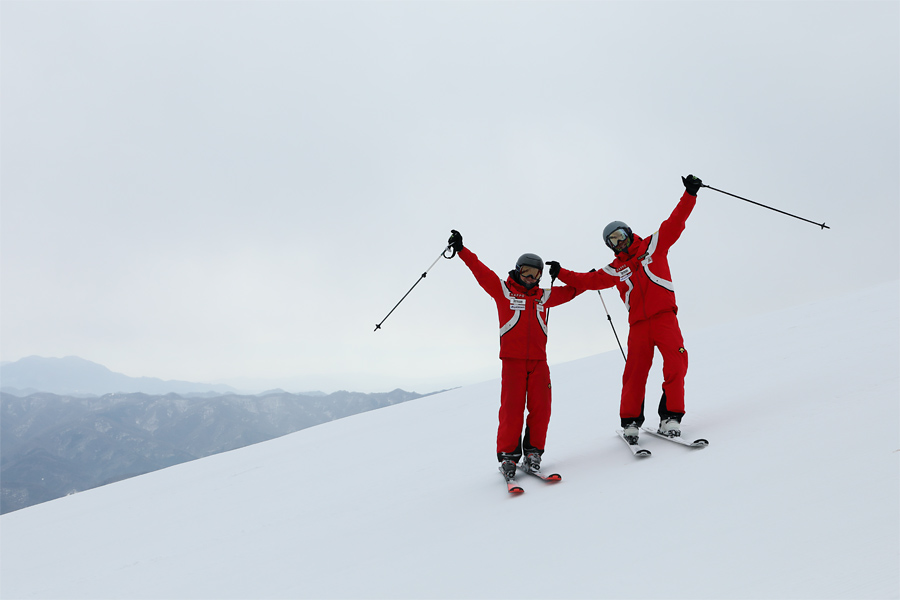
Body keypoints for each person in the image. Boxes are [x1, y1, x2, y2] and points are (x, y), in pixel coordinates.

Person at [546, 174, 703, 445]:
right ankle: (630, 422)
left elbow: (675, 222)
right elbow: (587, 280)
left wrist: (690, 193)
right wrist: (562, 273)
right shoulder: (615, 269)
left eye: (620, 237)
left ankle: (671, 417)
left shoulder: (654, 246)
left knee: (676, 361)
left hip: (665, 317)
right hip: (639, 325)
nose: (618, 244)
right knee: (635, 372)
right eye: (612, 242)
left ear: (629, 233)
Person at [448, 230, 583, 479]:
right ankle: (509, 457)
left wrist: (564, 274)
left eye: (537, 275)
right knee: (512, 409)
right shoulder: (504, 291)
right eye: (526, 273)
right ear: (517, 271)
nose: (531, 279)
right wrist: (462, 251)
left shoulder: (544, 296)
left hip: (539, 362)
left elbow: (575, 290)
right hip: (512, 362)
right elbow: (481, 272)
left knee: (541, 408)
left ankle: (533, 453)